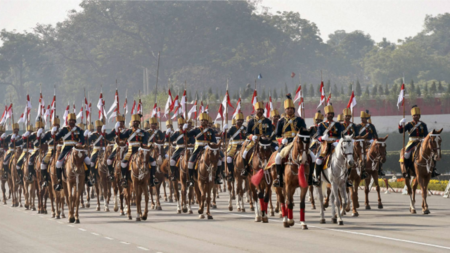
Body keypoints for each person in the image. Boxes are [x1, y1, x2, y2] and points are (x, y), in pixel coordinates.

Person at [273, 94, 306, 187]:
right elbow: (277, 135)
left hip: (298, 142)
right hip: (286, 143)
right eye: (288, 108)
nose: (290, 110)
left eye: (291, 108)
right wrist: (281, 140)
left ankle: (311, 177)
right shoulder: (281, 121)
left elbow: (304, 131)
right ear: (285, 110)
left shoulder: (300, 120)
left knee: (312, 156)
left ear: (294, 109)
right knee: (278, 158)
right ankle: (279, 178)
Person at [399, 105, 439, 178]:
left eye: (417, 115)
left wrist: (424, 139)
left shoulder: (423, 125)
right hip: (412, 143)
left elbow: (426, 135)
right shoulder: (409, 124)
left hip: (421, 142)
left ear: (419, 116)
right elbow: (401, 131)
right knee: (406, 155)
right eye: (414, 115)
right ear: (412, 116)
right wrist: (400, 124)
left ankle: (433, 170)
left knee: (432, 153)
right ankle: (406, 170)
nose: (416, 116)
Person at [53, 113, 90, 191]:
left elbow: (82, 141)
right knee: (58, 163)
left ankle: (87, 178)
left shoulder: (79, 130)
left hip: (77, 149)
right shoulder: (64, 130)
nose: (72, 122)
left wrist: (79, 144)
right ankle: (59, 182)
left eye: (73, 120)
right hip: (66, 149)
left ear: (75, 121)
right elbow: (56, 138)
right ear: (68, 121)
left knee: (88, 160)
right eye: (70, 120)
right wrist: (53, 133)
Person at [185, 112, 219, 187]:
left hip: (208, 148)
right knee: (190, 162)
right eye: (202, 120)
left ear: (207, 121)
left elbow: (214, 141)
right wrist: (185, 129)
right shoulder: (196, 130)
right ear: (200, 121)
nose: (203, 121)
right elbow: (187, 134)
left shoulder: (211, 131)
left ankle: (217, 177)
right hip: (198, 148)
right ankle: (191, 179)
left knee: (219, 159)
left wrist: (211, 146)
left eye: (205, 120)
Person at [313, 105, 342, 186]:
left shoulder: (338, 125)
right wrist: (322, 137)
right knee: (318, 160)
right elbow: (318, 136)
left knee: (346, 157)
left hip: (335, 145)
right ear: (325, 115)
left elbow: (340, 135)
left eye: (331, 113)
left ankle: (347, 178)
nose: (330, 115)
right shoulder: (321, 125)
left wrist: (337, 141)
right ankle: (317, 177)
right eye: (328, 113)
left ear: (333, 114)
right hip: (324, 145)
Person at [242, 101, 273, 177]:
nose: (259, 111)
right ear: (255, 110)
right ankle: (246, 169)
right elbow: (247, 133)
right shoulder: (251, 122)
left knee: (275, 151)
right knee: (244, 153)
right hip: (254, 141)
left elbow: (270, 131)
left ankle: (274, 169)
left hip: (265, 141)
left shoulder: (267, 121)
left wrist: (266, 136)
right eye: (258, 109)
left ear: (263, 110)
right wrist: (252, 136)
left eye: (261, 109)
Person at [356, 110, 383, 176]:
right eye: (362, 118)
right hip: (362, 142)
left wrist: (378, 140)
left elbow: (375, 135)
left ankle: (379, 168)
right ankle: (361, 169)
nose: (363, 119)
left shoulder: (371, 126)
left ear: (367, 119)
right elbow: (356, 136)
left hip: (371, 141)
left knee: (379, 152)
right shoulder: (358, 126)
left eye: (364, 118)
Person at [40, 117, 62, 186]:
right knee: (43, 164)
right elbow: (41, 142)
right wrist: (39, 136)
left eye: (57, 125)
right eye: (54, 125)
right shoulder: (48, 133)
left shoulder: (62, 132)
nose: (56, 126)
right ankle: (46, 179)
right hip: (50, 151)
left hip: (60, 151)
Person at [224, 112, 246, 181]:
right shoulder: (232, 128)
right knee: (228, 159)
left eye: (241, 120)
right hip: (234, 147)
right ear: (236, 120)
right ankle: (231, 173)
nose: (240, 121)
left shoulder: (245, 128)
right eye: (239, 120)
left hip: (244, 146)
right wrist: (225, 131)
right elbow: (226, 137)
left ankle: (248, 170)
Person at [105, 115, 126, 180]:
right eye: (118, 122)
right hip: (117, 147)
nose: (120, 123)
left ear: (123, 122)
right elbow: (108, 136)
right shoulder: (114, 130)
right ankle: (111, 173)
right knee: (108, 160)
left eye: (121, 122)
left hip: (125, 147)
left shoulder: (126, 130)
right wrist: (103, 132)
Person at [167, 117, 187, 181]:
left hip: (187, 148)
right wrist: (167, 135)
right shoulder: (176, 132)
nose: (181, 125)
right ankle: (173, 174)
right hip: (179, 149)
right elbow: (169, 140)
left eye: (182, 124)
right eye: (179, 124)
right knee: (172, 161)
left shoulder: (188, 132)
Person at [87, 120, 107, 185]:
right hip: (96, 150)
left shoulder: (104, 134)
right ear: (96, 127)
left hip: (104, 150)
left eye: (100, 127)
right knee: (92, 163)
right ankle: (93, 176)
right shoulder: (93, 135)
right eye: (98, 127)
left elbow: (110, 137)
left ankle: (110, 173)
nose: (99, 128)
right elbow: (88, 141)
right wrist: (86, 136)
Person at [307, 110, 323, 185]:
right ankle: (310, 174)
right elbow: (308, 137)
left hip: (321, 144)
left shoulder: (323, 127)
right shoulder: (312, 128)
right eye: (317, 120)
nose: (318, 121)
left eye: (320, 120)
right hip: (313, 145)